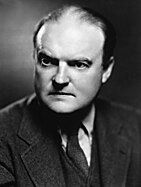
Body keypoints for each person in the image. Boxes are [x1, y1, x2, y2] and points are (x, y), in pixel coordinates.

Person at [0, 4, 141, 187]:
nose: (60, 79)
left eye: (79, 64)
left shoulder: (136, 126)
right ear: (35, 59)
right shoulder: (3, 135)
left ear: (106, 70)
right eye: (47, 61)